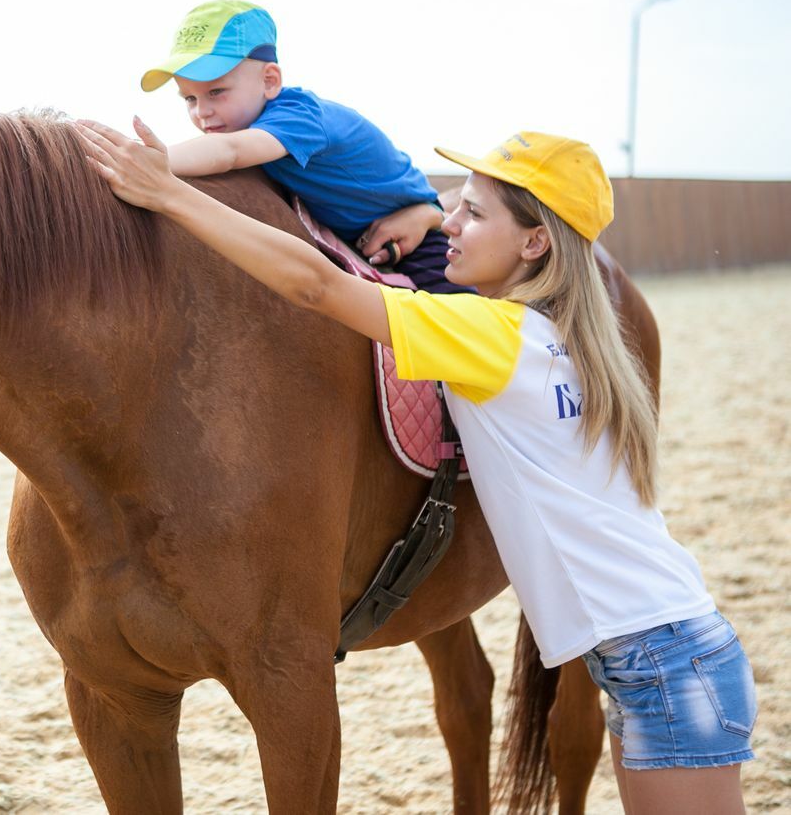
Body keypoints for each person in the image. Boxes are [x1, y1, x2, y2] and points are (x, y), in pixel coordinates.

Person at [78, 120, 756, 814]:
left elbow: (316, 286)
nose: (447, 223)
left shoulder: (491, 338)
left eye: (471, 211)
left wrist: (172, 196)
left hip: (664, 666)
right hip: (666, 650)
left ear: (533, 243)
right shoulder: (563, 339)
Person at [140, 0, 465, 292]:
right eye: (190, 99)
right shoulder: (255, 127)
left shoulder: (298, 117)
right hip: (352, 229)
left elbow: (229, 152)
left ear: (270, 81)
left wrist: (142, 158)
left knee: (452, 316)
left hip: (410, 231)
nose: (202, 111)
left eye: (216, 92)